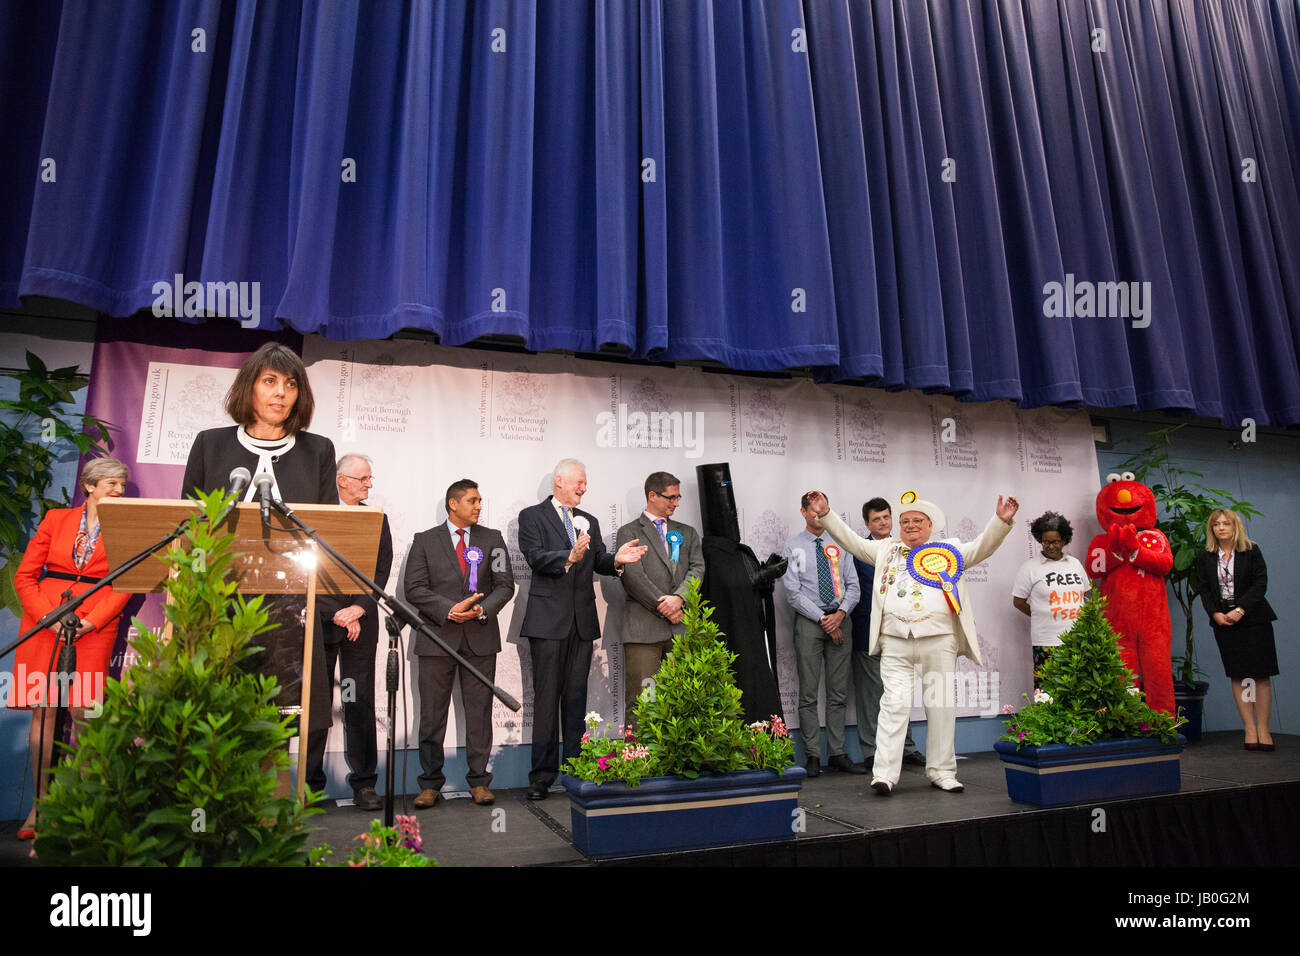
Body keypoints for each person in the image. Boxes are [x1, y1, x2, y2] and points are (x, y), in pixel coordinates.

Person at [808, 489, 1018, 795]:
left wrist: (999, 521)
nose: (911, 526)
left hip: (939, 639)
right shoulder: (885, 550)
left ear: (931, 525)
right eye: (905, 521)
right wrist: (826, 514)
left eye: (918, 520)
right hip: (895, 641)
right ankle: (884, 774)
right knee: (892, 705)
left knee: (941, 705)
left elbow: (982, 548)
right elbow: (851, 542)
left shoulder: (949, 550)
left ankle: (942, 771)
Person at [179, 341, 338, 722]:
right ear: (250, 386)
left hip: (293, 606)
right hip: (219, 602)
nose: (281, 392)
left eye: (291, 384)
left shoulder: (318, 451)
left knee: (281, 722)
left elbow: (329, 529)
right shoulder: (210, 444)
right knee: (213, 719)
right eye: (270, 381)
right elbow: (187, 525)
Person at [11, 457, 131, 839]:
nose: (118, 491)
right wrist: (48, 616)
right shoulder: (55, 520)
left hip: (94, 627)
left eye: (122, 485)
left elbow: (125, 582)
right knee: (44, 712)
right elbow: (25, 576)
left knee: (86, 716)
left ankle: (81, 807)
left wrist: (92, 621)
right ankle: (40, 806)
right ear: (90, 486)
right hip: (44, 623)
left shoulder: (125, 525)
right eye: (110, 483)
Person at [516, 458, 647, 800]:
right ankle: (541, 778)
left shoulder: (590, 520)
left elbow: (600, 559)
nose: (583, 488)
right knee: (546, 700)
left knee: (576, 699)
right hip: (547, 622)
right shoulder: (532, 516)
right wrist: (569, 557)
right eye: (579, 482)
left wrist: (617, 561)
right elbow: (535, 557)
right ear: (559, 481)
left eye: (585, 483)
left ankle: (574, 770)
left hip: (582, 622)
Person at [404, 479, 515, 807]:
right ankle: (430, 783)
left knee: (479, 713)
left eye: (480, 501)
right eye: (473, 501)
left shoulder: (492, 540)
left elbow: (504, 585)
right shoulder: (425, 541)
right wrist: (448, 610)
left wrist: (481, 609)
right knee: (432, 715)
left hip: (480, 638)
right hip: (437, 638)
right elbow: (414, 588)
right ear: (453, 504)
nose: (479, 506)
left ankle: (479, 781)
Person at [305, 453, 392, 810]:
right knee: (317, 702)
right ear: (341, 480)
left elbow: (380, 567)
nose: (369, 485)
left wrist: (358, 606)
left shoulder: (376, 518)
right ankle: (309, 785)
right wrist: (337, 612)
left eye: (369, 479)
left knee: (359, 702)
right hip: (321, 621)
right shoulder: (313, 514)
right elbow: (307, 569)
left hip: (361, 622)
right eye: (363, 479)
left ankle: (364, 784)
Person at [782, 494, 864, 776]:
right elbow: (792, 593)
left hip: (841, 618)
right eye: (813, 510)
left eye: (823, 509)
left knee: (838, 692)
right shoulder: (792, 546)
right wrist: (822, 618)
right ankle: (813, 756)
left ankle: (838, 753)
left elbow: (854, 586)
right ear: (803, 511)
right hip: (809, 620)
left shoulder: (842, 543)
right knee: (807, 693)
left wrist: (839, 615)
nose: (818, 514)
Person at [615, 472, 705, 727]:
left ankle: (678, 762)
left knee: (683, 700)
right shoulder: (629, 532)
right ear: (652, 496)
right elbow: (632, 577)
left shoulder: (688, 533)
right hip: (643, 632)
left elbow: (697, 569)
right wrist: (664, 606)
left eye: (678, 498)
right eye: (671, 497)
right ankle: (641, 762)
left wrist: (679, 598)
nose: (676, 503)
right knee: (644, 700)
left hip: (682, 629)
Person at [1194, 509, 1278, 751]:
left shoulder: (1251, 550)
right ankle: (1249, 729)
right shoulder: (1205, 556)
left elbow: (1260, 584)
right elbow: (1205, 589)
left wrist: (1240, 610)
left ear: (1235, 526)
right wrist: (1215, 613)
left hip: (1253, 619)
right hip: (1225, 623)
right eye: (1216, 524)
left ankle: (1263, 728)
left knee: (1259, 675)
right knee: (1240, 676)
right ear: (1211, 530)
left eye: (1226, 523)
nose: (1221, 528)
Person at [849, 498, 923, 768]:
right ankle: (871, 752)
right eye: (876, 519)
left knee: (900, 692)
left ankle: (908, 748)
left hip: (901, 633)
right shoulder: (860, 552)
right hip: (866, 632)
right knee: (870, 695)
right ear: (867, 524)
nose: (883, 522)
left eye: (886, 517)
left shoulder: (907, 549)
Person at [1012, 512, 1089, 688]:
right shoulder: (1030, 568)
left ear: (1064, 541)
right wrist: (1040, 613)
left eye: (1055, 542)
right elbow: (1018, 601)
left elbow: (1086, 594)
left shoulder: (1075, 564)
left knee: (1078, 690)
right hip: (1047, 641)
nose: (1050, 546)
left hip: (1077, 640)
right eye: (1046, 541)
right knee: (1047, 692)